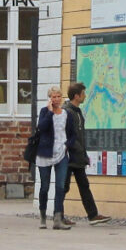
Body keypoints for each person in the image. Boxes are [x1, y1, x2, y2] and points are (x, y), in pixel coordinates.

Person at [25, 86, 73, 229]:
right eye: (53, 97)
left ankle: (58, 219)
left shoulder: (66, 114)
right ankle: (43, 216)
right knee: (44, 187)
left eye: (58, 96)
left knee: (60, 186)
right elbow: (41, 127)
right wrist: (50, 112)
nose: (56, 99)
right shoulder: (45, 112)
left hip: (61, 153)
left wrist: (67, 146)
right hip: (45, 153)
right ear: (50, 99)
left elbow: (72, 133)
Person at [65, 83, 109, 224]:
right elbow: (69, 136)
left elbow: (79, 135)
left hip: (78, 156)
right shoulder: (68, 112)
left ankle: (93, 215)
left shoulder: (77, 111)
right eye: (83, 93)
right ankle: (58, 215)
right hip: (68, 156)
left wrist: (83, 154)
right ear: (76, 96)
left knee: (84, 185)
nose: (85, 96)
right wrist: (78, 151)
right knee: (63, 187)